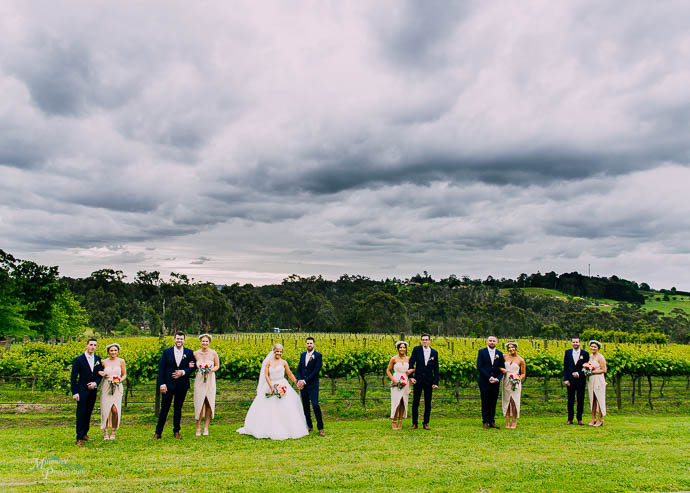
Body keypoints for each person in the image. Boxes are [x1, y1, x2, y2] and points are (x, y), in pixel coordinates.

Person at [237, 343, 309, 440]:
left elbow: (289, 374)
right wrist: (271, 387)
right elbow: (266, 375)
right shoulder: (268, 362)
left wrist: (296, 382)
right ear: (274, 351)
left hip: (282, 384)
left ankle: (286, 427)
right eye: (277, 351)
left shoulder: (284, 362)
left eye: (280, 351)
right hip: (271, 385)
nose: (279, 353)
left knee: (286, 407)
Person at [152, 331, 196, 440]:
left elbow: (193, 367)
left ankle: (176, 431)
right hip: (168, 385)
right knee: (164, 409)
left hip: (182, 385)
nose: (179, 341)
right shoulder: (166, 352)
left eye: (181, 339)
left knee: (178, 408)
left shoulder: (189, 352)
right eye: (177, 338)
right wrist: (162, 384)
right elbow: (161, 370)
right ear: (174, 339)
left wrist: (183, 372)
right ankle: (158, 433)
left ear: (184, 340)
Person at [70, 338, 103, 446]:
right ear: (86, 346)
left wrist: (96, 383)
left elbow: (99, 375)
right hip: (81, 390)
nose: (93, 347)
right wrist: (75, 392)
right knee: (81, 413)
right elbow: (73, 377)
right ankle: (79, 437)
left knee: (88, 412)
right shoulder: (79, 360)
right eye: (91, 344)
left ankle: (85, 434)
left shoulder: (98, 359)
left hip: (92, 391)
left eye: (95, 345)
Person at [408, 334, 439, 430]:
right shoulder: (416, 349)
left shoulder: (434, 352)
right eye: (423, 340)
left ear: (430, 341)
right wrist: (411, 377)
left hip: (429, 381)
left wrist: (435, 382)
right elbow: (411, 363)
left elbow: (436, 368)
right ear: (421, 341)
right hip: (418, 380)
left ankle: (426, 423)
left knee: (428, 402)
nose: (425, 341)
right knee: (415, 402)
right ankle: (414, 423)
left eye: (426, 339)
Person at [296, 337, 325, 436]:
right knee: (305, 406)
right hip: (303, 386)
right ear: (305, 344)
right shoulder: (302, 355)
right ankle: (309, 425)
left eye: (311, 343)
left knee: (315, 405)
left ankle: (321, 428)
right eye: (307, 343)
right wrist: (299, 380)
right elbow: (299, 368)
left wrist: (304, 381)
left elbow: (316, 371)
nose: (309, 345)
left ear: (314, 344)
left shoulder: (318, 356)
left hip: (312, 385)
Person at [98, 342, 126, 440]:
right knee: (105, 409)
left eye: (115, 350)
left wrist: (119, 381)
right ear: (108, 352)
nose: (113, 352)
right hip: (106, 387)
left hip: (117, 387)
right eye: (111, 350)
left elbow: (124, 375)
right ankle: (105, 432)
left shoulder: (121, 361)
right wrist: (100, 373)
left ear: (118, 351)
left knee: (115, 409)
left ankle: (113, 431)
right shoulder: (103, 362)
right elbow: (98, 371)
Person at [193, 334, 219, 436]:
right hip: (200, 379)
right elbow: (191, 365)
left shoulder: (213, 353)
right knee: (199, 402)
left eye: (206, 341)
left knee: (209, 402)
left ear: (209, 342)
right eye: (203, 341)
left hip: (210, 379)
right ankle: (198, 427)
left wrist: (210, 370)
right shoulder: (195, 353)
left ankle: (206, 427)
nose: (204, 343)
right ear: (200, 342)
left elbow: (217, 365)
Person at [477, 335, 504, 429]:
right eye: (490, 340)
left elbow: (502, 368)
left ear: (497, 342)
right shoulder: (481, 352)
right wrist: (489, 377)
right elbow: (479, 366)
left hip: (495, 382)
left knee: (493, 401)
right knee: (485, 401)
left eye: (494, 341)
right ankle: (485, 421)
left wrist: (498, 378)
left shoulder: (500, 353)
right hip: (484, 381)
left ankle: (492, 421)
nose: (492, 342)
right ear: (487, 342)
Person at [386, 341, 412, 430]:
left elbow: (414, 368)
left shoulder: (408, 359)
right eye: (400, 347)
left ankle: (400, 421)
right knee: (396, 401)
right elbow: (388, 370)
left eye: (404, 347)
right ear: (398, 348)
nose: (402, 349)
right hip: (396, 380)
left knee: (403, 402)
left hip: (405, 380)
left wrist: (411, 371)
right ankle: (394, 421)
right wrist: (393, 380)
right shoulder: (393, 359)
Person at [563, 336, 589, 425]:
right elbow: (565, 366)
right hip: (570, 380)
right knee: (570, 400)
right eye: (573, 342)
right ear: (571, 343)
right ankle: (570, 419)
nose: (575, 344)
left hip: (581, 380)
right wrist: (566, 379)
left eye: (576, 342)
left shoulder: (585, 353)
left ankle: (579, 418)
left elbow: (587, 367)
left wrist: (579, 373)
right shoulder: (568, 352)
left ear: (580, 342)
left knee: (580, 399)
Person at [500, 342, 525, 429]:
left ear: (516, 348)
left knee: (514, 401)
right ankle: (507, 421)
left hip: (515, 382)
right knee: (507, 400)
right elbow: (498, 365)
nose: (511, 349)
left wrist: (518, 378)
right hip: (506, 380)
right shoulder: (504, 357)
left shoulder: (521, 360)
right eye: (509, 348)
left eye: (512, 347)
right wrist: (501, 369)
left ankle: (514, 421)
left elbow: (523, 374)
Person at [587, 340, 607, 427]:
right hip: (591, 379)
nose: (593, 348)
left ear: (598, 348)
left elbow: (604, 370)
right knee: (592, 399)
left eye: (595, 347)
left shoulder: (600, 357)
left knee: (599, 398)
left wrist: (593, 372)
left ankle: (600, 419)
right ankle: (593, 418)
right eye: (591, 346)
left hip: (598, 379)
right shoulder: (590, 356)